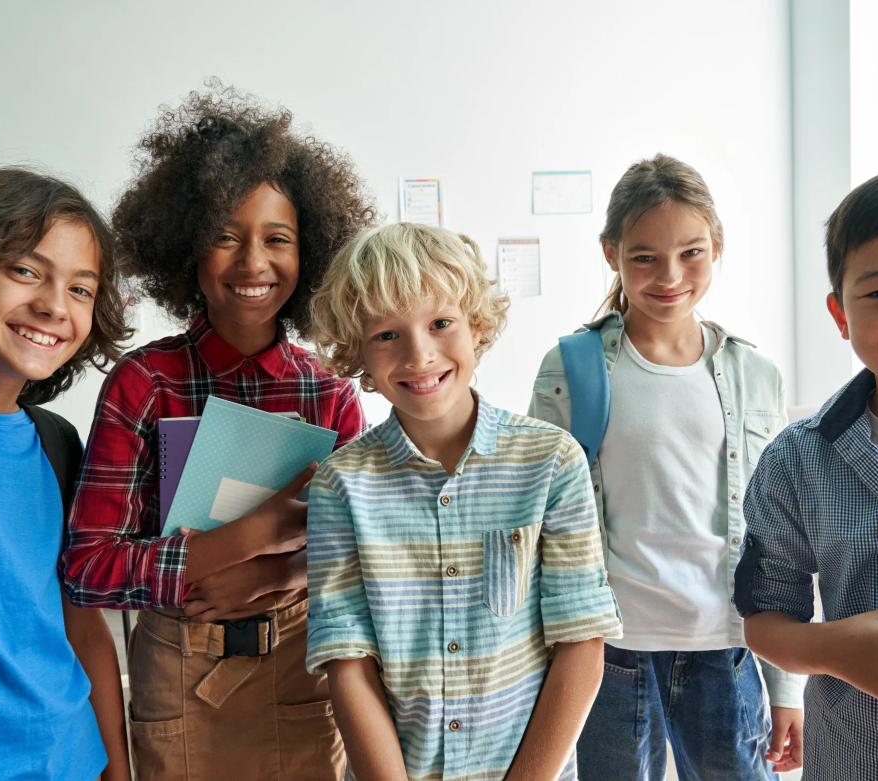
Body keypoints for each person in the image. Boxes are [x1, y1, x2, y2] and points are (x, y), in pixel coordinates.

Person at [60, 85, 375, 780]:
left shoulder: (330, 394)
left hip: (302, 674)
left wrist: (277, 571)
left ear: (310, 251)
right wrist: (236, 545)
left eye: (277, 239)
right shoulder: (144, 384)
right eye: (224, 235)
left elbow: (366, 557)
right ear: (186, 250)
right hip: (180, 679)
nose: (252, 261)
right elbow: (87, 568)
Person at [305, 222, 623, 780]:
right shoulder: (340, 485)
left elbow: (580, 643)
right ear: (357, 351)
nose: (419, 354)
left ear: (475, 325)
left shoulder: (552, 462)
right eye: (386, 335)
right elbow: (348, 663)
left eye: (441, 323)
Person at [530, 153, 806, 780]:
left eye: (691, 253)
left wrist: (786, 688)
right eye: (644, 257)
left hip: (728, 644)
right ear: (611, 253)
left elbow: (781, 538)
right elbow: (540, 522)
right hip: (609, 649)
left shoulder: (754, 374)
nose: (669, 276)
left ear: (717, 247)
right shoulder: (571, 368)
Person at [736, 165, 878, 781]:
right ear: (840, 315)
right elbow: (764, 613)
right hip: (858, 759)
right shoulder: (796, 461)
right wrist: (837, 649)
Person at [0, 167, 131, 781]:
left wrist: (116, 770)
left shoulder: (57, 444)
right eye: (25, 271)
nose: (53, 306)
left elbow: (84, 628)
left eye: (81, 289)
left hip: (70, 761)